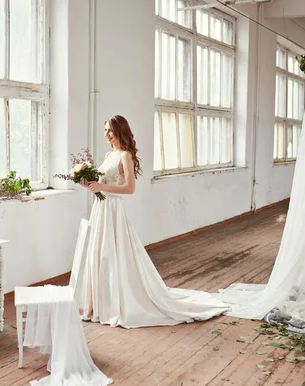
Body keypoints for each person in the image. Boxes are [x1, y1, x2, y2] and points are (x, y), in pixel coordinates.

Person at [76, 115, 229, 328]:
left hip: (113, 209)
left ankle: (118, 303)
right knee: (100, 255)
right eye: (105, 130)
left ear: (120, 131)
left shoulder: (125, 156)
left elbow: (129, 189)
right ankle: (100, 303)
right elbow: (102, 183)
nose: (106, 134)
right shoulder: (109, 154)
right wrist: (90, 184)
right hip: (100, 208)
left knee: (112, 254)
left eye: (110, 130)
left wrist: (102, 188)